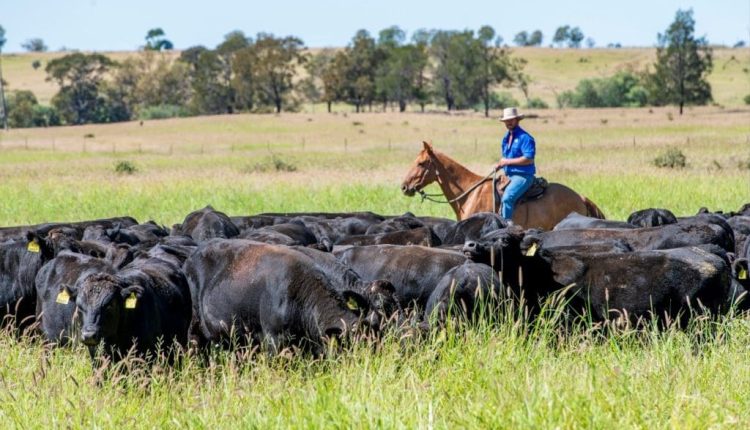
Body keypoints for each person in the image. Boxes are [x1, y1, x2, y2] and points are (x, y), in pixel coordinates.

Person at [494, 107, 536, 224]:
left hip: (523, 176)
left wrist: (507, 162)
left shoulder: (525, 138)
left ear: (517, 120)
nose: (509, 122)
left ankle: (505, 227)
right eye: (506, 121)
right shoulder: (506, 138)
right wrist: (500, 165)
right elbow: (507, 158)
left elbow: (528, 159)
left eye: (511, 120)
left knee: (507, 198)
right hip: (508, 175)